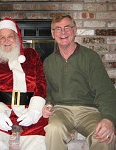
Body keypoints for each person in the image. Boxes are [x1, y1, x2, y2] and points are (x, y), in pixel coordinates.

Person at [0, 17, 48, 150]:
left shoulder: (32, 55)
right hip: (2, 108)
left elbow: (41, 83)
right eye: (2, 37)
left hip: (28, 109)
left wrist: (34, 111)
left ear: (17, 36)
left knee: (38, 138)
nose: (6, 40)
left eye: (10, 36)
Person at [43, 14, 116, 150]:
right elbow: (48, 91)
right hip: (61, 110)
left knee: (104, 136)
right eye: (58, 29)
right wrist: (48, 103)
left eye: (67, 27)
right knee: (53, 129)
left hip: (89, 110)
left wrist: (109, 118)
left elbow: (105, 90)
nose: (63, 32)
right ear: (53, 34)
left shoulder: (90, 57)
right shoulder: (48, 62)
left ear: (74, 30)